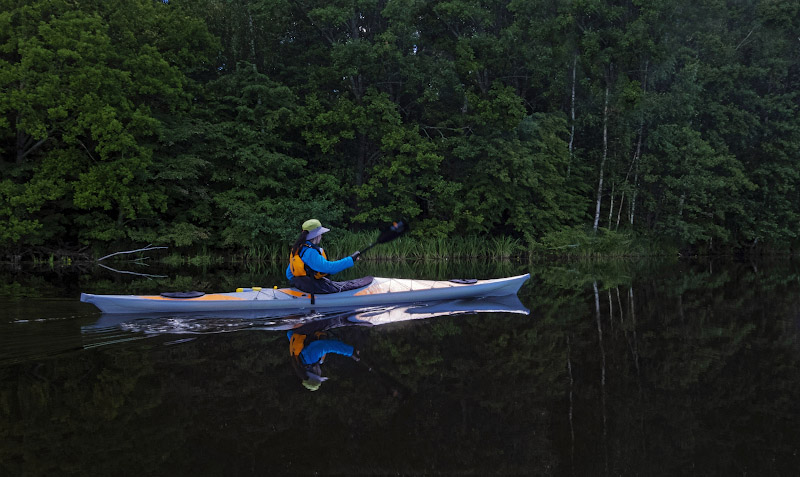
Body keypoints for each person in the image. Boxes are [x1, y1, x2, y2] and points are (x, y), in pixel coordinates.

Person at [286, 219, 372, 294]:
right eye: (320, 234)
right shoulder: (310, 252)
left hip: (302, 286)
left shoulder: (299, 248)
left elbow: (289, 273)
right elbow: (329, 268)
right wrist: (351, 259)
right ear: (316, 235)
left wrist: (299, 284)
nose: (321, 236)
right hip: (311, 288)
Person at [287, 314, 366, 391]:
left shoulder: (309, 359)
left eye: (319, 374)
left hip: (305, 327)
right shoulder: (299, 360)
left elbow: (326, 346)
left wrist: (351, 352)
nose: (320, 372)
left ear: (315, 373)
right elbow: (290, 335)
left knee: (339, 320)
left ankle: (357, 316)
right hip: (301, 329)